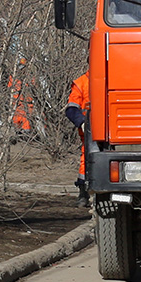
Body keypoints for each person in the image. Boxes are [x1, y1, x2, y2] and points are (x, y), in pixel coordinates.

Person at [66, 71, 90, 207]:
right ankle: (83, 192)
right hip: (89, 128)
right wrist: (81, 122)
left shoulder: (116, 77)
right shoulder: (81, 83)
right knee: (86, 159)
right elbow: (72, 108)